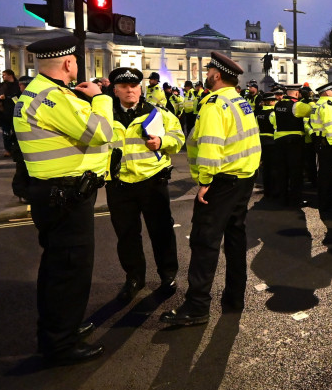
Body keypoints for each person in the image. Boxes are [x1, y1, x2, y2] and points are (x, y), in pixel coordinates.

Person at [13, 35, 113, 364]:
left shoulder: (38, 92)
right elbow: (99, 132)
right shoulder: (52, 97)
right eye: (73, 62)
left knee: (59, 267)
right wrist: (100, 98)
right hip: (65, 196)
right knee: (69, 271)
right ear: (68, 63)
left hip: (56, 193)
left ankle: (61, 328)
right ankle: (60, 344)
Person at [161, 52, 260, 326]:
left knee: (205, 241)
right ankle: (234, 296)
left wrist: (205, 182)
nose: (206, 75)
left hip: (222, 181)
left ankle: (197, 307)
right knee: (236, 238)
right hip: (243, 179)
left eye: (208, 72)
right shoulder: (241, 102)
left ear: (216, 75)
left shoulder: (215, 104)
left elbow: (211, 146)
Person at [105, 67, 183, 303]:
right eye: (124, 87)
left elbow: (178, 139)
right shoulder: (104, 116)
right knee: (127, 235)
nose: (130, 91)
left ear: (140, 89)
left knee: (161, 231)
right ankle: (134, 278)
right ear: (116, 90)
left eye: (134, 86)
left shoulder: (159, 113)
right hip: (119, 183)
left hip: (152, 181)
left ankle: (168, 275)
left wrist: (162, 141)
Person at [271, 84, 312, 207]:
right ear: (296, 93)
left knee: (282, 172)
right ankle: (295, 200)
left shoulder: (278, 105)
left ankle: (282, 199)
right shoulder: (297, 105)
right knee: (296, 173)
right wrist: (308, 99)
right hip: (294, 143)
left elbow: (274, 121)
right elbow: (312, 111)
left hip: (279, 142)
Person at [310, 82, 332, 210]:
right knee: (327, 174)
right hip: (328, 143)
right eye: (331, 91)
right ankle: (326, 203)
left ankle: (323, 200)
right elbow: (331, 127)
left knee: (322, 172)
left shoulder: (317, 104)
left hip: (320, 141)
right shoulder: (328, 105)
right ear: (327, 92)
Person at [0, 69, 21, 157]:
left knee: (17, 132)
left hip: (16, 111)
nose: (3, 76)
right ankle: (8, 149)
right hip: (4, 112)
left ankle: (17, 149)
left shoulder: (18, 85)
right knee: (6, 132)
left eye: (4, 75)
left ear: (10, 75)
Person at [255, 91, 278, 198]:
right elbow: (276, 128)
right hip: (272, 142)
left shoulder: (258, 114)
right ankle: (273, 189)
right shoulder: (273, 114)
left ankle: (267, 189)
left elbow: (256, 129)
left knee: (265, 167)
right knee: (273, 167)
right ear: (271, 101)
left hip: (261, 141)